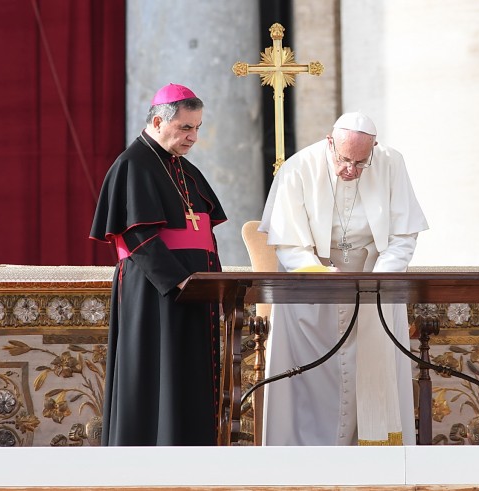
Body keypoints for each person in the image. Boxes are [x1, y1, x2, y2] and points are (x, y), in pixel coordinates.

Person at [259, 112, 429, 445]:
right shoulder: (298, 168)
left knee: (374, 380)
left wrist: (381, 278)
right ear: (329, 142)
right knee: (309, 380)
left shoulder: (391, 164)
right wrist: (320, 273)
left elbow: (404, 235)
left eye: (360, 162)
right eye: (343, 159)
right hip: (312, 289)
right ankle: (304, 459)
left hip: (375, 287)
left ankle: (375, 462)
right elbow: (289, 243)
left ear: (374, 150)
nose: (350, 169)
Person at [90, 83, 227, 445]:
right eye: (185, 127)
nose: (193, 136)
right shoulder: (132, 165)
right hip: (156, 294)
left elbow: (203, 233)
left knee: (189, 378)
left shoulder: (183, 169)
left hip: (195, 292)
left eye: (197, 127)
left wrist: (214, 282)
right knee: (159, 376)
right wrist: (181, 283)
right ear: (157, 120)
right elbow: (137, 239)